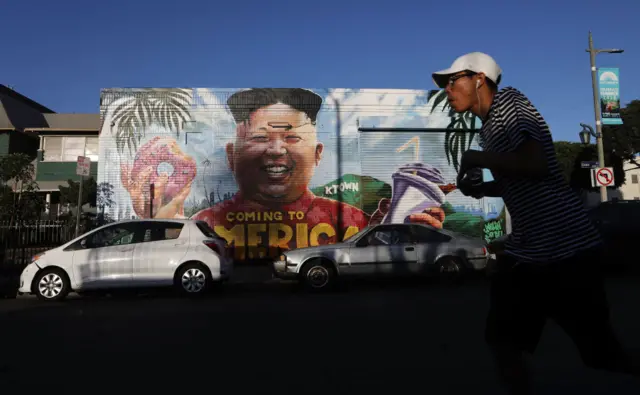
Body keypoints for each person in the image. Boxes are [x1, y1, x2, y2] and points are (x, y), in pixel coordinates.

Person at [432, 52, 639, 394]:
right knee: (502, 341)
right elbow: (521, 178)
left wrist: (474, 157)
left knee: (603, 356)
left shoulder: (510, 102)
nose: (448, 89)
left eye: (453, 81)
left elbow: (537, 164)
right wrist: (482, 188)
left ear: (480, 79)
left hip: (568, 249)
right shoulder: (489, 128)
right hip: (528, 254)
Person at [121, 88, 447, 260]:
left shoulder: (351, 220)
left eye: (292, 138)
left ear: (318, 154)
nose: (276, 150)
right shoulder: (203, 223)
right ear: (232, 157)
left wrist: (391, 233)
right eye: (260, 138)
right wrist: (159, 223)